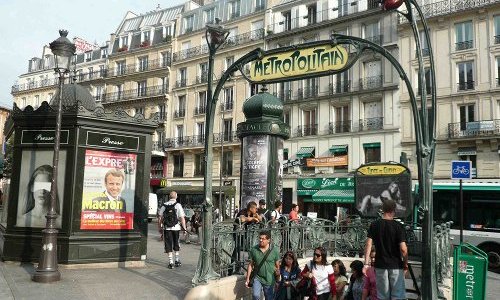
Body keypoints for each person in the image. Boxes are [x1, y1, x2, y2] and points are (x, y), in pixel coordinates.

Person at [364, 199, 408, 300]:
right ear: (394, 210)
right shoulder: (398, 226)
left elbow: (368, 244)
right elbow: (403, 249)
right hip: (396, 265)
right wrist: (405, 264)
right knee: (397, 296)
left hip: (380, 265)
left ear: (382, 210)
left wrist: (366, 264)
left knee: (382, 297)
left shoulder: (374, 225)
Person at [245, 230, 280, 300]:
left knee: (269, 298)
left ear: (268, 240)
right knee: (255, 295)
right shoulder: (254, 249)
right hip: (257, 277)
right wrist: (248, 278)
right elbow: (250, 265)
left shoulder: (275, 250)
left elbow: (277, 266)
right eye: (260, 238)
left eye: (263, 239)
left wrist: (277, 280)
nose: (261, 240)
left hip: (269, 279)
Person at [159, 191, 187, 269]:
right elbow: (182, 218)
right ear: (176, 197)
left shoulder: (164, 205)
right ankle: (177, 260)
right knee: (176, 243)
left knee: (168, 244)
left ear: (169, 197)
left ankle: (171, 262)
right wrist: (184, 229)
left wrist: (159, 227)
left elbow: (160, 217)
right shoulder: (178, 205)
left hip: (167, 228)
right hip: (176, 228)